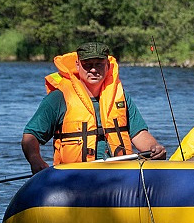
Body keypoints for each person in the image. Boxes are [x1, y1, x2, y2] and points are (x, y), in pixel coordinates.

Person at [21, 41, 167, 174]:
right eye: (88, 64)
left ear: (107, 66)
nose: (93, 70)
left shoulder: (121, 97)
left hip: (119, 175)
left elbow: (140, 135)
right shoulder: (59, 98)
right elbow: (30, 137)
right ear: (78, 65)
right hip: (74, 177)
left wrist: (155, 148)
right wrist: (36, 160)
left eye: (99, 64)